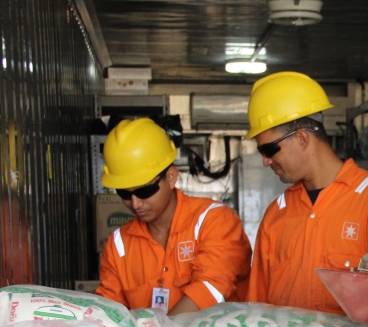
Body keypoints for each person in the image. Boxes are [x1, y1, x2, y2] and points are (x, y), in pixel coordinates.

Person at [244, 71, 368, 314]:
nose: (266, 162)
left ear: (302, 138)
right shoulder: (276, 215)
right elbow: (256, 307)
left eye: (269, 150)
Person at [97, 118, 252, 315]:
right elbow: (110, 313)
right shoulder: (119, 246)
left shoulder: (214, 221)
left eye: (145, 191)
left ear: (171, 177)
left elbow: (211, 288)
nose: (135, 203)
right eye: (125, 194)